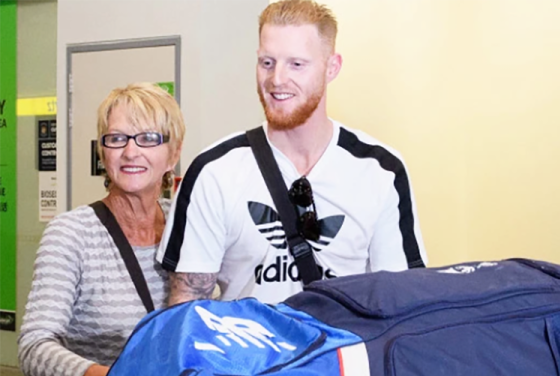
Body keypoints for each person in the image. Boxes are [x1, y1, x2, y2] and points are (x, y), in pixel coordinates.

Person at [158, 0, 427, 306]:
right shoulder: (213, 171)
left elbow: (401, 302)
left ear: (332, 67)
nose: (277, 79)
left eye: (296, 64)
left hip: (346, 353)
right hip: (248, 354)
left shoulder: (381, 171)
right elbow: (186, 306)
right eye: (267, 62)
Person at [12, 82, 183, 376]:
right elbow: (34, 346)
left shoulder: (189, 234)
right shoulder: (72, 233)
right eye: (117, 138)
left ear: (173, 153)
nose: (131, 151)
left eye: (149, 138)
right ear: (102, 151)